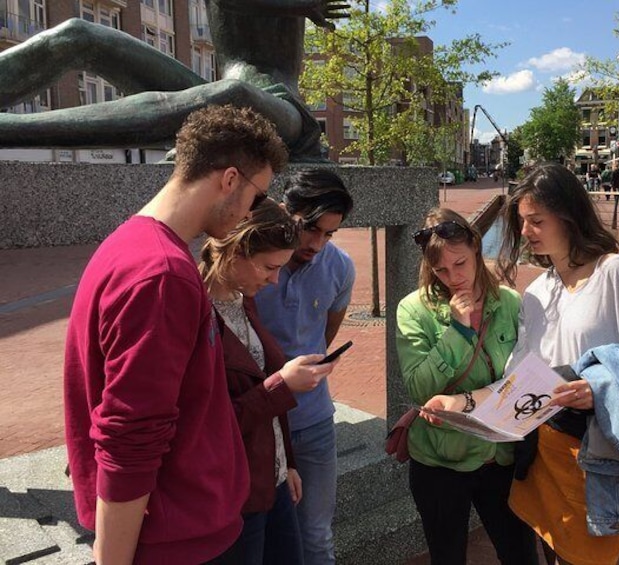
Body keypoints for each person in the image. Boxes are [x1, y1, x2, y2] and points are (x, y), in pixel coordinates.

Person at [64, 104, 288, 564]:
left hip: (180, 526)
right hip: (178, 538)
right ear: (230, 180)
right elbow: (130, 434)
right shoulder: (162, 274)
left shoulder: (131, 245)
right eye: (255, 197)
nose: (252, 211)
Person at [497, 163, 619, 565]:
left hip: (600, 452)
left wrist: (599, 387)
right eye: (522, 222)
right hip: (544, 447)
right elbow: (520, 366)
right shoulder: (537, 290)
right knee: (553, 554)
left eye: (536, 221)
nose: (526, 232)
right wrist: (484, 407)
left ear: (568, 215)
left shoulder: (614, 273)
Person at [0, 0, 349, 159]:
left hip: (282, 111)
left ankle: (10, 129)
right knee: (78, 35)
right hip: (220, 91)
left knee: (234, 94)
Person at [199, 199, 339, 565]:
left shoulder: (242, 299)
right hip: (235, 493)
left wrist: (287, 463)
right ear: (235, 251)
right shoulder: (197, 314)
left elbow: (261, 394)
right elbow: (209, 426)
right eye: (268, 267)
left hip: (270, 478)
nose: (275, 279)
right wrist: (282, 384)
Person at [396, 208, 538, 565]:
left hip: (499, 455)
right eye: (440, 270)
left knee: (520, 553)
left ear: (476, 248)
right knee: (448, 556)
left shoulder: (508, 302)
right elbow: (418, 388)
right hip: (441, 460)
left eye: (459, 263)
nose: (452, 277)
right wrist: (457, 332)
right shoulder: (414, 310)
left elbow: (526, 375)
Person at [255, 168, 354, 564]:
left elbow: (324, 335)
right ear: (284, 209)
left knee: (316, 537)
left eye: (329, 234)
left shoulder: (341, 268)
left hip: (312, 422)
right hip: (257, 422)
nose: (317, 243)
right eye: (310, 228)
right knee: (260, 538)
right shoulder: (252, 258)